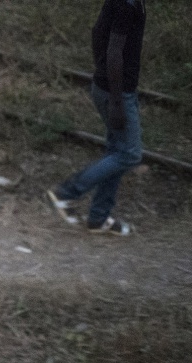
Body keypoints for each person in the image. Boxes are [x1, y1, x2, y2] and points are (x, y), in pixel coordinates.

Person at [46, 0, 146, 236]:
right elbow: (112, 51)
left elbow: (96, 32)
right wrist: (116, 100)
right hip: (116, 92)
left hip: (110, 88)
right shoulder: (127, 5)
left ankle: (98, 218)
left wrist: (102, 74)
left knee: (117, 151)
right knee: (130, 154)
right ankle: (66, 193)